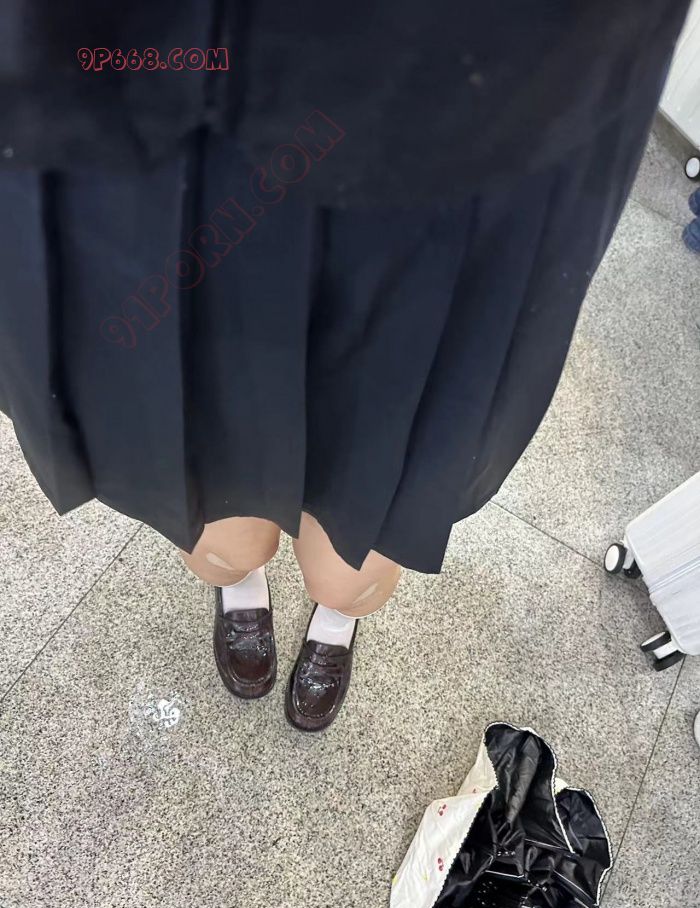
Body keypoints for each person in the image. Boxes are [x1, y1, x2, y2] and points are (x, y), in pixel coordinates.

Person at [0, 0, 691, 730]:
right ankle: (242, 581)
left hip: (476, 88)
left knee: (358, 548)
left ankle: (337, 614)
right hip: (180, 72)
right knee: (216, 514)